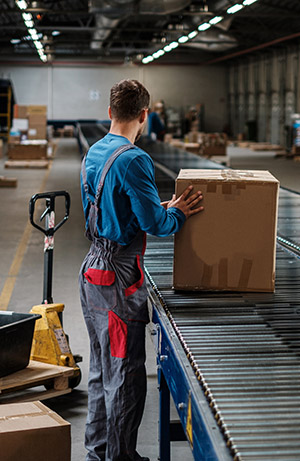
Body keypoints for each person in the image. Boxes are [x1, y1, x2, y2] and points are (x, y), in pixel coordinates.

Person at [79, 79, 204, 461]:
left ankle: (98, 452)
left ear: (110, 113)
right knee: (127, 375)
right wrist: (177, 213)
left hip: (92, 271)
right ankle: (119, 458)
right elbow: (156, 224)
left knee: (102, 371)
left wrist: (156, 207)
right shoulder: (134, 159)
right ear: (145, 116)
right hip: (119, 277)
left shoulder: (96, 151)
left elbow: (113, 206)